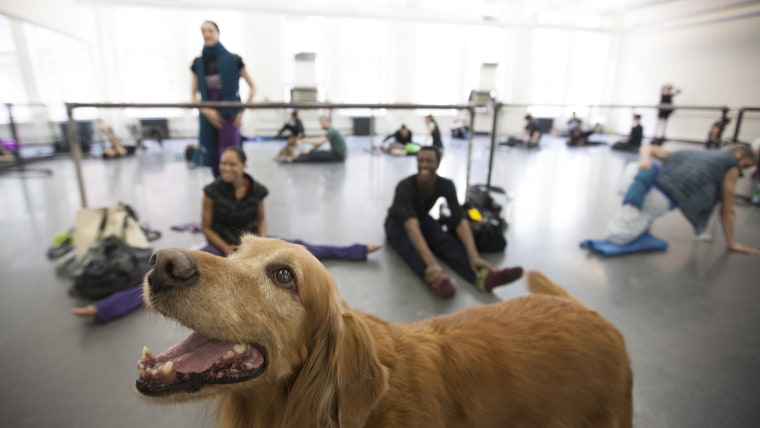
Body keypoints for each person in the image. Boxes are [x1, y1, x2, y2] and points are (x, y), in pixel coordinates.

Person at [73, 146, 381, 322]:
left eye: (232, 163)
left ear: (244, 166)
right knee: (174, 275)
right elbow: (205, 226)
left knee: (302, 247)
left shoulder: (256, 189)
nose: (226, 167)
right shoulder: (211, 191)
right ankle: (103, 308)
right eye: (223, 163)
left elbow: (261, 220)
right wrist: (229, 251)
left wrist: (260, 246)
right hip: (220, 242)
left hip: (252, 245)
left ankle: (357, 249)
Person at [384, 146, 524, 298]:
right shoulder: (404, 187)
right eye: (421, 161)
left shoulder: (446, 185)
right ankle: (438, 279)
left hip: (422, 218)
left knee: (445, 240)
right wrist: (432, 263)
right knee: (410, 249)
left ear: (438, 164)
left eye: (429, 161)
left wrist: (473, 255)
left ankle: (482, 278)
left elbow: (460, 220)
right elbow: (411, 227)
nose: (424, 165)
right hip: (397, 223)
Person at [606, 143, 759, 255]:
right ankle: (632, 224)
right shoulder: (731, 164)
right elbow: (728, 209)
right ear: (738, 154)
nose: (741, 172)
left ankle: (636, 214)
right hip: (660, 197)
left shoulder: (694, 153)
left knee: (641, 200)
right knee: (620, 236)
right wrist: (731, 243)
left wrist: (644, 161)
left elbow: (647, 147)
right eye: (745, 166)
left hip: (632, 178)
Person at [190, 20, 256, 177]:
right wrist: (206, 110)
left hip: (230, 113)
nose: (206, 34)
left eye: (210, 30)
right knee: (213, 154)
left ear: (217, 33)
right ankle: (219, 189)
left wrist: (241, 111)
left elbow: (253, 87)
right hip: (208, 115)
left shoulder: (234, 60)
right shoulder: (198, 63)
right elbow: (193, 95)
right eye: (203, 31)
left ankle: (234, 187)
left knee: (230, 152)